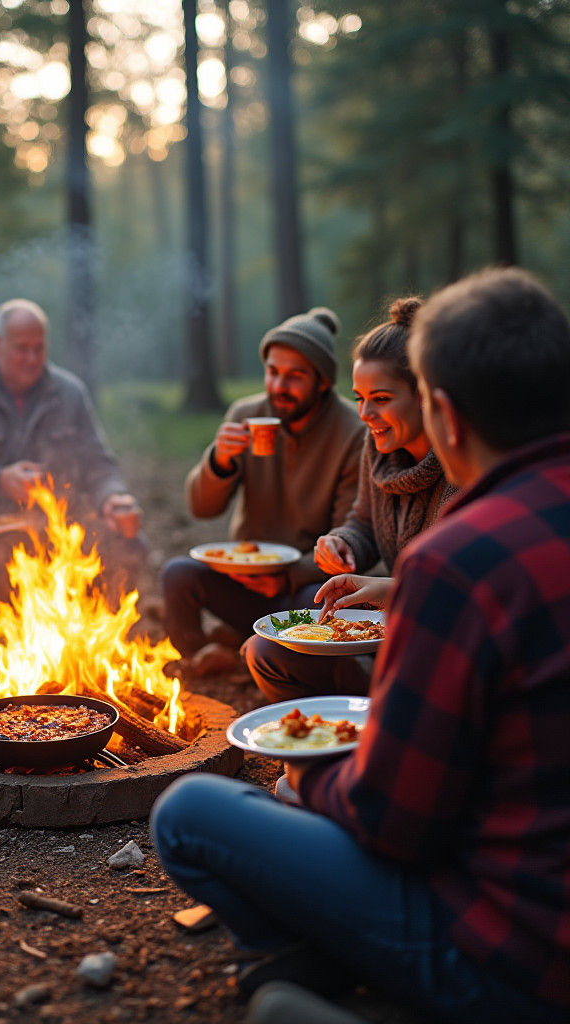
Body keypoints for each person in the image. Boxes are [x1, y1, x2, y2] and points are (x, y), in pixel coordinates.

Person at [152, 266, 570, 1024]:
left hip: (509, 955)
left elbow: (394, 824)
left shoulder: (461, 562)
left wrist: (306, 775)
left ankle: (336, 973)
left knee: (189, 812)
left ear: (443, 414)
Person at [244, 298, 457, 703]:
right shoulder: (376, 449)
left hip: (441, 645)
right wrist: (344, 542)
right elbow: (363, 521)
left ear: (425, 394)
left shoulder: (460, 468)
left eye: (381, 398)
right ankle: (334, 729)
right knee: (266, 650)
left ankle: (377, 717)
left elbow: (461, 592)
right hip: (390, 622)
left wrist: (387, 589)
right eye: (359, 398)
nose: (365, 414)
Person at [0, 298, 144, 671]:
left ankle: (90, 655)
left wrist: (114, 498)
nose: (31, 358)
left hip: (59, 528)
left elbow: (98, 463)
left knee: (128, 543)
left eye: (38, 348)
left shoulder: (69, 392)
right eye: (21, 348)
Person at [161, 307, 364, 674]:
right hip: (245, 578)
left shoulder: (352, 432)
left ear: (322, 381)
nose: (278, 386)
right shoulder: (246, 414)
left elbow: (350, 533)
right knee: (178, 574)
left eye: (295, 375)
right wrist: (218, 461)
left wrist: (287, 577)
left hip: (305, 583)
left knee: (321, 603)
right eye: (272, 372)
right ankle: (201, 657)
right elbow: (201, 507)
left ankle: (258, 650)